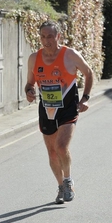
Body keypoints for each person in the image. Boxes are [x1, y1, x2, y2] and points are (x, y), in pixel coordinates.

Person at [24, 20, 93, 204]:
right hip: (46, 110)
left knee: (62, 147)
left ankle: (68, 180)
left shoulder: (69, 55)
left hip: (68, 109)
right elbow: (30, 84)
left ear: (58, 36)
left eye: (50, 36)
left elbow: (88, 72)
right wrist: (29, 92)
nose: (46, 41)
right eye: (43, 37)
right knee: (52, 153)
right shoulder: (34, 58)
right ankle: (61, 185)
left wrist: (85, 98)